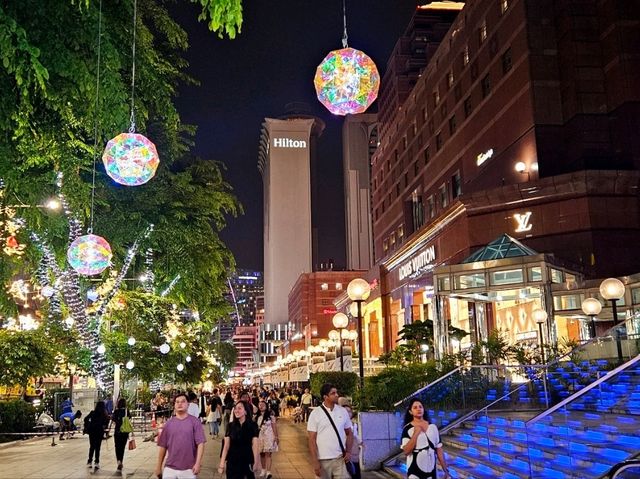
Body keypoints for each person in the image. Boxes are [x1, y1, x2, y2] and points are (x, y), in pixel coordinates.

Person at [307, 383, 354, 479]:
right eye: (333, 393)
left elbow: (349, 433)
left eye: (336, 392)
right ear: (325, 396)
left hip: (340, 458)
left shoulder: (342, 411)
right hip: (323, 460)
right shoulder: (315, 414)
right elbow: (312, 439)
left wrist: (348, 452)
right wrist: (315, 462)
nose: (337, 395)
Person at [155, 393, 206, 479]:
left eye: (183, 401)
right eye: (177, 402)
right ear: (174, 405)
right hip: (170, 468)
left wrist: (197, 463)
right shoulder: (168, 424)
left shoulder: (195, 422)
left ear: (188, 404)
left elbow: (200, 443)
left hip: (189, 469)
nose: (180, 404)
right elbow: (163, 447)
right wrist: (158, 466)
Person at [401, 398, 450, 479]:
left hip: (431, 470)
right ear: (410, 412)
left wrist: (445, 470)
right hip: (414, 471)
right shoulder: (407, 428)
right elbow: (406, 451)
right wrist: (416, 433)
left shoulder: (433, 427)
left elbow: (439, 450)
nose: (418, 409)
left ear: (423, 410)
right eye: (415, 407)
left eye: (420, 407)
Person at [218, 401, 261, 479]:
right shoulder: (230, 426)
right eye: (235, 408)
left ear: (246, 411)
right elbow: (226, 446)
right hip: (232, 461)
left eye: (239, 408)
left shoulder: (253, 425)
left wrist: (256, 462)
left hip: (247, 461)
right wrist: (221, 463)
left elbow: (255, 445)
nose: (236, 410)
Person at [255, 400, 279, 479]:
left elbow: (274, 426)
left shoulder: (271, 416)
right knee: (261, 454)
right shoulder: (257, 416)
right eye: (260, 405)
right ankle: (263, 470)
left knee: (268, 454)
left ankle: (268, 472)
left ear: (266, 406)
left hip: (269, 437)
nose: (261, 406)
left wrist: (276, 437)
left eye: (263, 404)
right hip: (260, 437)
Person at [85, 400, 110, 471]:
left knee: (92, 446)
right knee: (98, 447)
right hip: (99, 431)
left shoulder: (93, 413)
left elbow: (86, 419)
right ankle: (96, 462)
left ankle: (89, 461)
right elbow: (106, 422)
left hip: (92, 431)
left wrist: (88, 425)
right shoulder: (104, 414)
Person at [112, 398, 132, 471]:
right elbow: (130, 418)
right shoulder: (127, 411)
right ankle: (121, 460)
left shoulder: (116, 411)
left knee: (117, 447)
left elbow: (113, 420)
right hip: (125, 432)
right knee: (122, 447)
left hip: (117, 431)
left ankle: (118, 461)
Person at [343, 405, 362, 479]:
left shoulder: (354, 424)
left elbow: (356, 435)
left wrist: (361, 442)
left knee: (355, 471)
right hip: (343, 453)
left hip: (353, 453)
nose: (348, 413)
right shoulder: (339, 425)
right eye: (345, 411)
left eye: (349, 411)